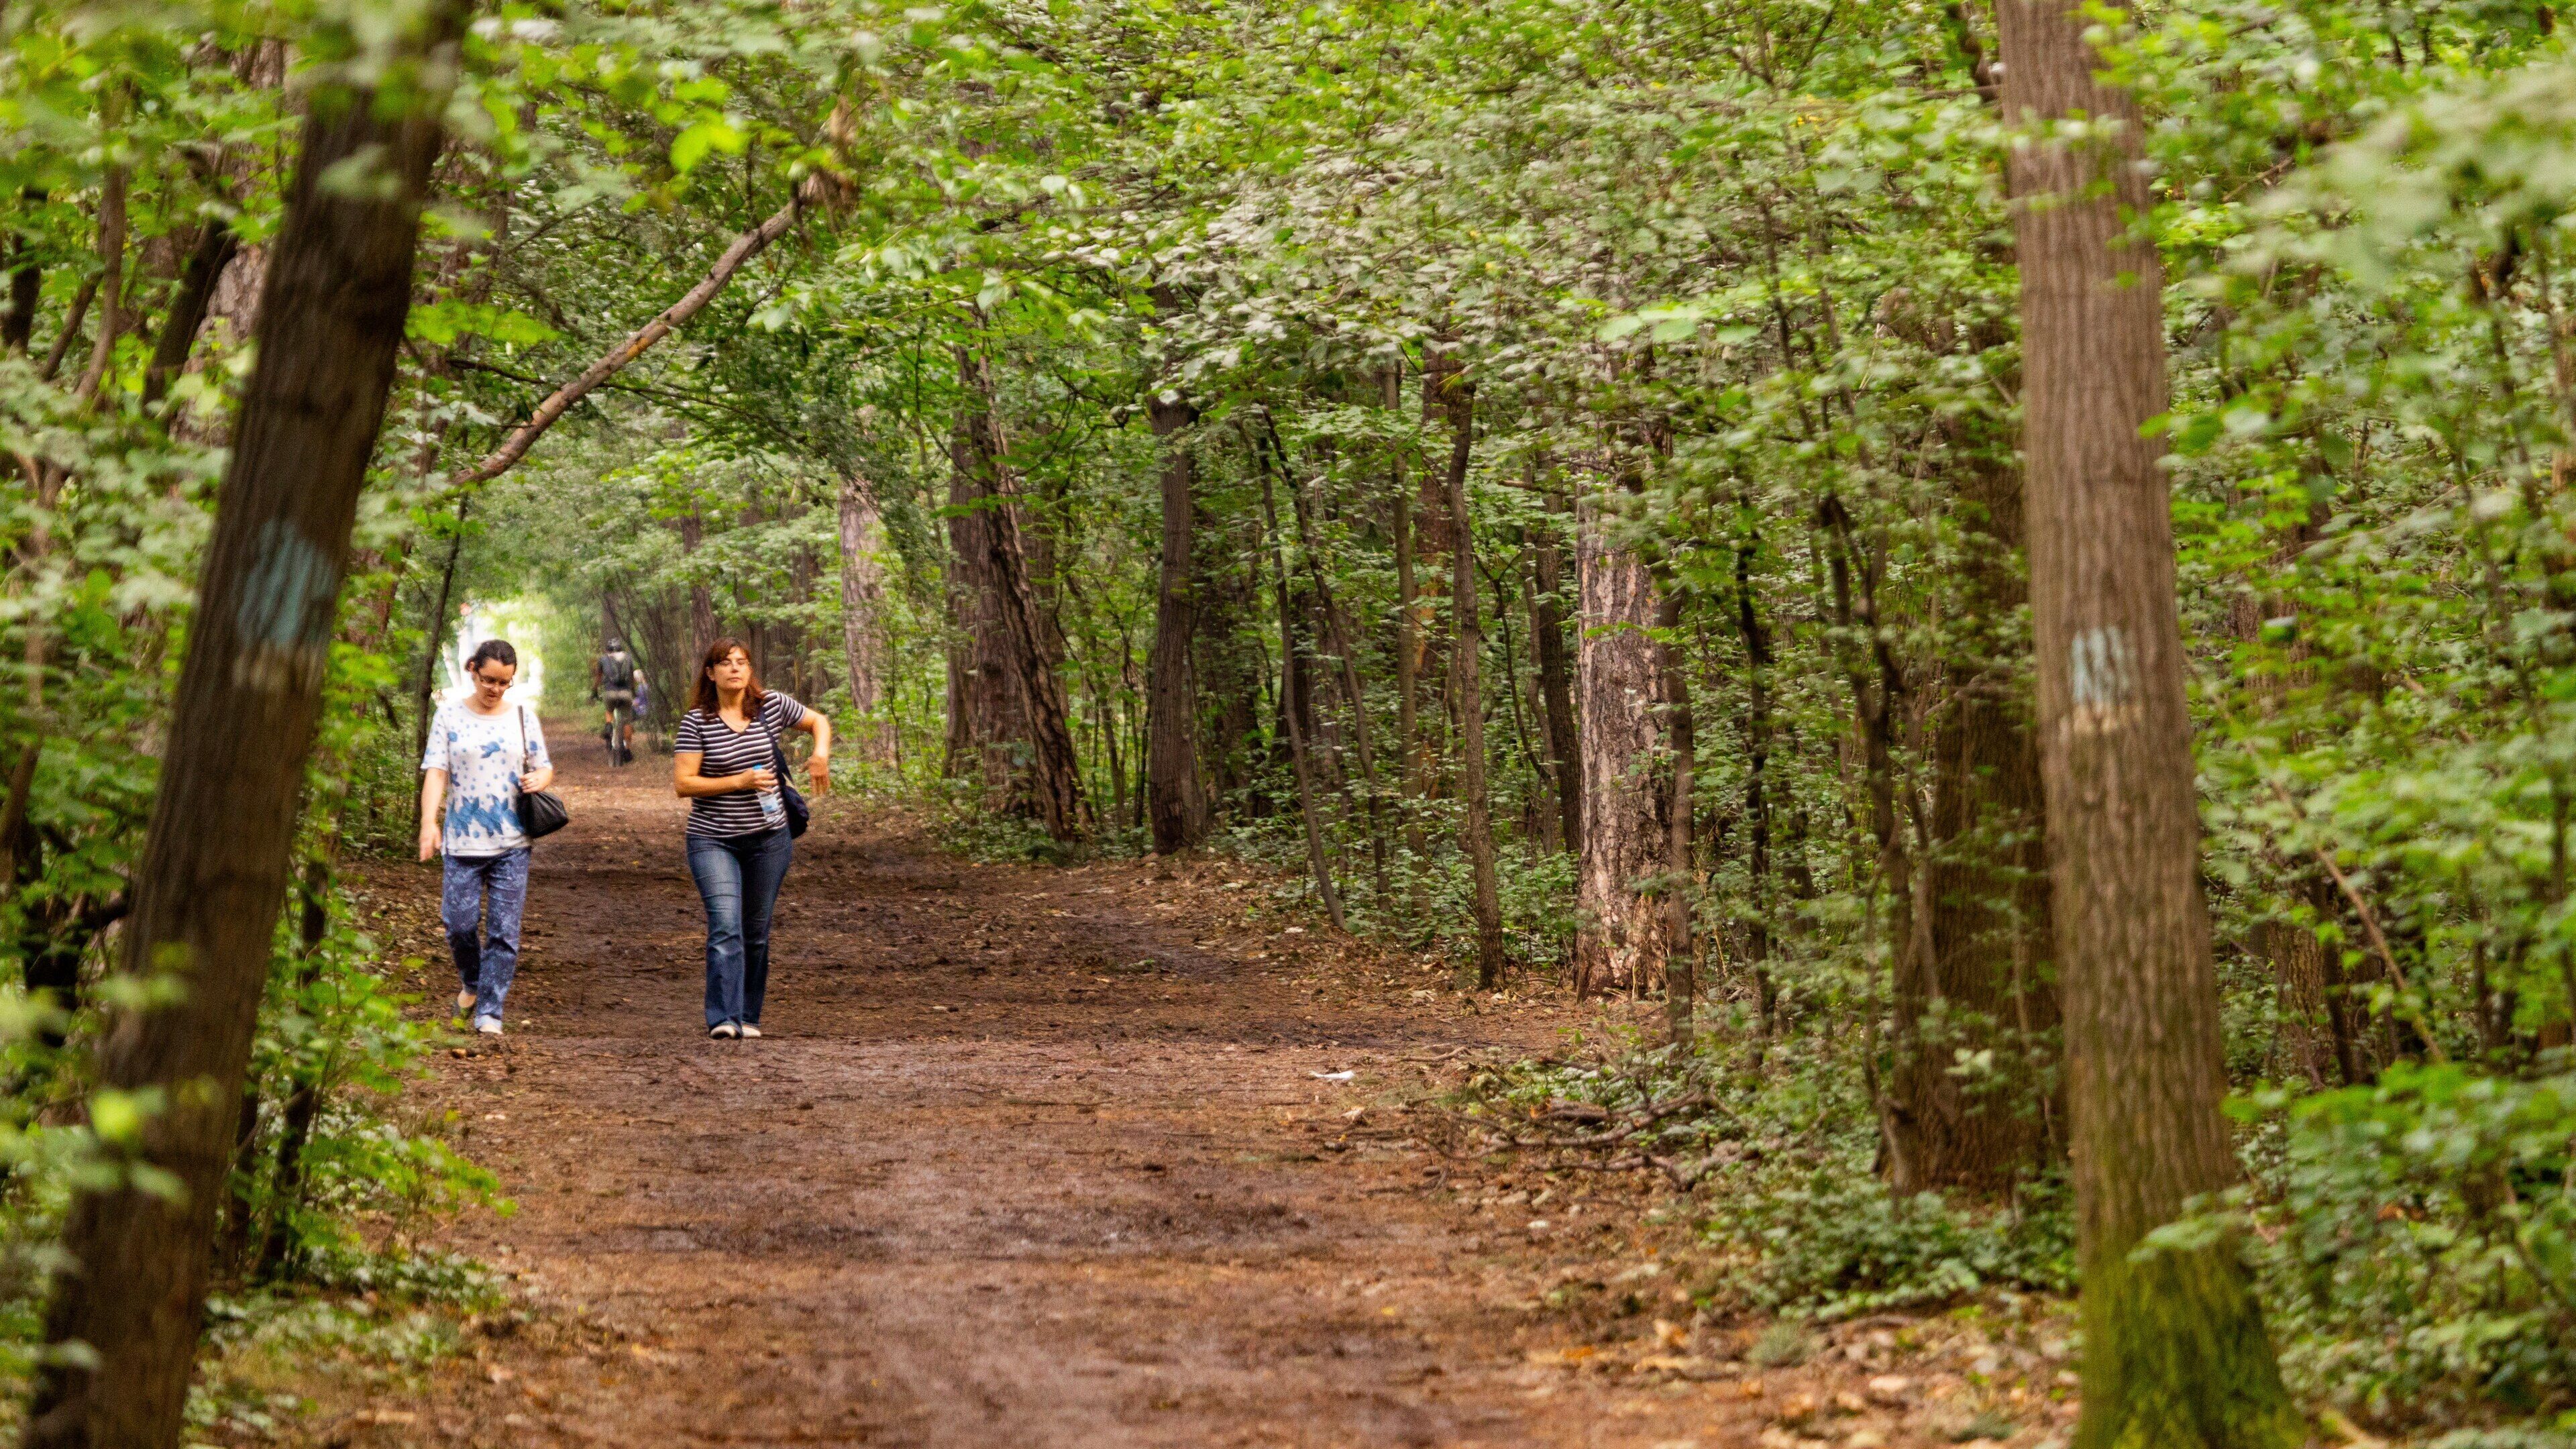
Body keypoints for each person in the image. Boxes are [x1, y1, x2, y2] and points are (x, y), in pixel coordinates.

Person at [674, 637, 830, 1040]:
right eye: (725, 663)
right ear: (711, 673)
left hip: (770, 839)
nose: (735, 669)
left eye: (741, 662)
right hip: (714, 840)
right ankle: (722, 1018)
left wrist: (821, 754)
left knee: (756, 929)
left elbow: (818, 721)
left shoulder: (771, 706)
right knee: (726, 924)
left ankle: (747, 1015)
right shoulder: (697, 722)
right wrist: (739, 781)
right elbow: (684, 784)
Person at [419, 639, 553, 1036]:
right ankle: (474, 984)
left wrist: (538, 779)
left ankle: (490, 1010)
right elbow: (437, 772)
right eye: (489, 679)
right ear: (472, 669)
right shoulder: (448, 716)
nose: (495, 689)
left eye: (505, 682)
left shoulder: (524, 718)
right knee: (458, 925)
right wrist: (430, 822)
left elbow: (545, 767)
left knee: (503, 932)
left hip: (513, 842)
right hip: (462, 841)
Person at [594, 639, 639, 765]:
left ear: (607, 650)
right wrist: (633, 691)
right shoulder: (628, 658)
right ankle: (627, 749)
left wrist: (594, 691)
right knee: (627, 721)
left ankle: (609, 726)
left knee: (609, 710)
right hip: (626, 693)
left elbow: (598, 677)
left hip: (610, 693)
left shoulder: (603, 659)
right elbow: (632, 677)